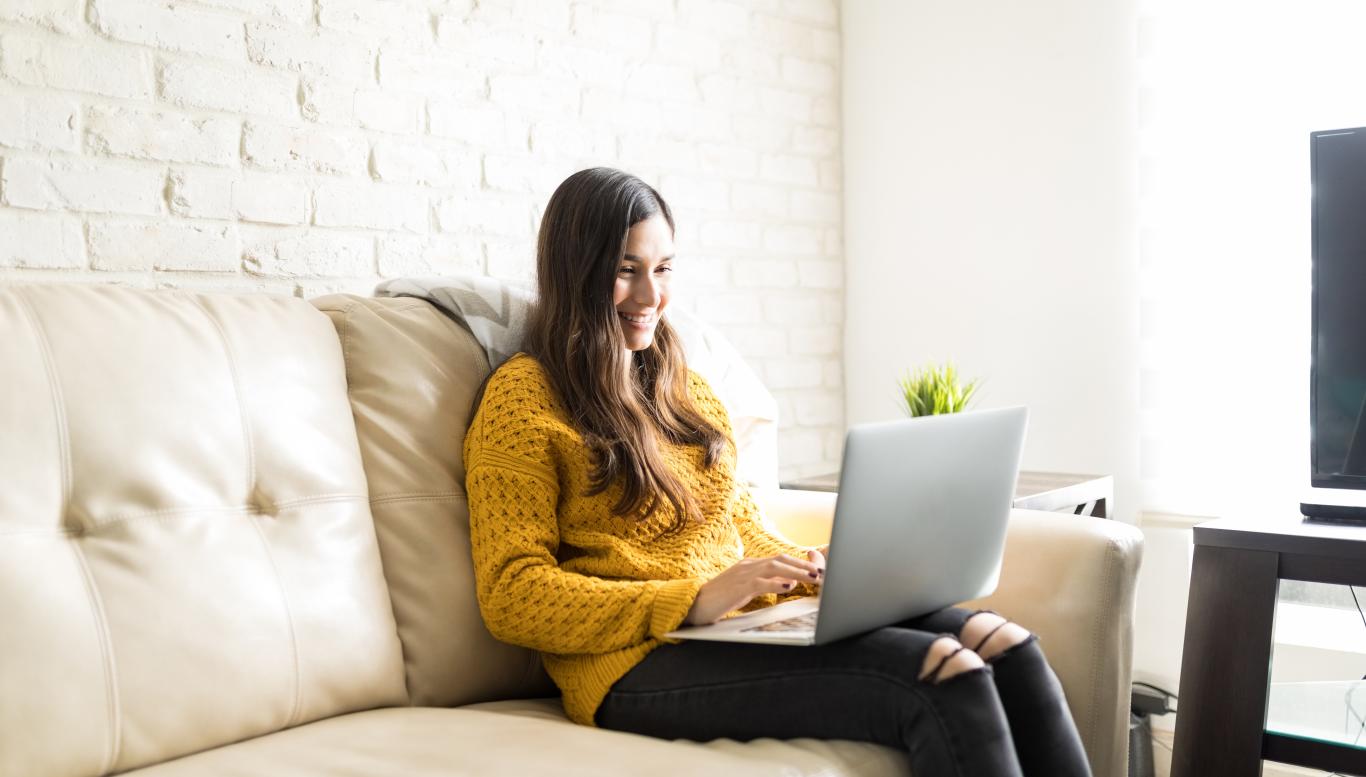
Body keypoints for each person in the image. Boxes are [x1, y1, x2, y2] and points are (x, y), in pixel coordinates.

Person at [462, 167, 1092, 777]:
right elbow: (512, 594)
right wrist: (691, 601)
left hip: (739, 627)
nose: (651, 297)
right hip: (634, 663)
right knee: (942, 674)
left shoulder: (687, 391)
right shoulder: (523, 399)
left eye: (663, 269)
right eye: (626, 271)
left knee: (1006, 646)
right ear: (574, 272)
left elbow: (735, 525)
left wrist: (811, 569)